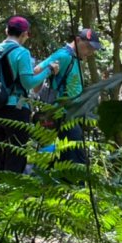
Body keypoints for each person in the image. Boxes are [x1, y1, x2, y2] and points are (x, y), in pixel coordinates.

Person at [0, 16, 58, 174]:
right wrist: (48, 70)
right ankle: (11, 193)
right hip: (16, 108)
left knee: (1, 151)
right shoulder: (22, 52)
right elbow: (28, 83)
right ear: (24, 34)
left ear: (7, 30)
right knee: (16, 153)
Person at [37, 28, 101, 166]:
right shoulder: (64, 56)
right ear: (78, 40)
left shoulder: (75, 59)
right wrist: (49, 69)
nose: (90, 52)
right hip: (60, 114)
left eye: (93, 49)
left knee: (62, 158)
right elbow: (37, 71)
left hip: (70, 115)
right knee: (76, 158)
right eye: (88, 47)